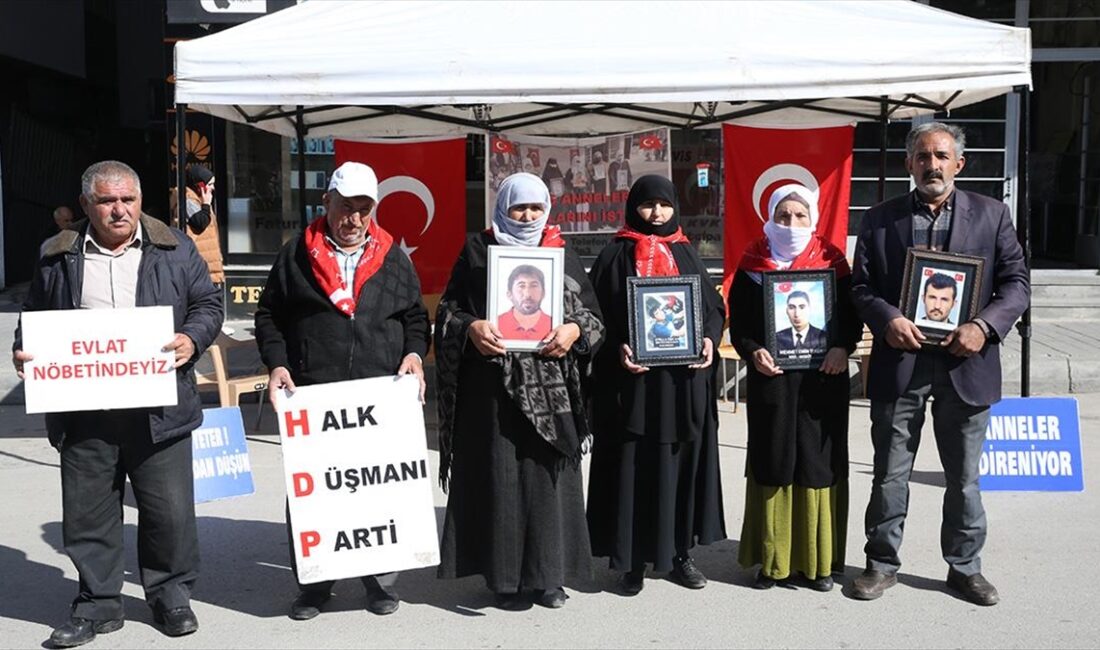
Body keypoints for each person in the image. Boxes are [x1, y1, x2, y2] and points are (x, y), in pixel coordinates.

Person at [12, 160, 223, 647]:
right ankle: (97, 604)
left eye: (127, 199)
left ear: (140, 201)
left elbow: (208, 305)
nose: (119, 210)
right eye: (107, 201)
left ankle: (170, 595)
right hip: (84, 409)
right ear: (87, 205)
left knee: (168, 511)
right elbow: (35, 316)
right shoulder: (56, 253)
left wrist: (192, 339)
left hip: (159, 408)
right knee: (89, 512)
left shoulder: (174, 246)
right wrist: (26, 351)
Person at [848, 122, 1030, 606]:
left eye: (942, 156)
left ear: (959, 163)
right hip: (901, 361)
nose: (932, 165)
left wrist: (984, 327)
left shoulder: (993, 216)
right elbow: (860, 287)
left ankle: (965, 568)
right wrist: (886, 318)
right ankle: (881, 564)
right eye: (923, 156)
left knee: (964, 478)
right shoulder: (879, 218)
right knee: (889, 473)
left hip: (965, 364)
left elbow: (1016, 285)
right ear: (909, 163)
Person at [253, 161, 430, 620]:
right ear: (325, 202)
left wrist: (413, 354)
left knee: (376, 489)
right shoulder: (295, 254)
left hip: (379, 395)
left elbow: (414, 317)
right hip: (316, 394)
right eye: (345, 208)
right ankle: (315, 585)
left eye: (364, 210)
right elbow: (269, 316)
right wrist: (277, 363)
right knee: (317, 492)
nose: (353, 220)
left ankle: (380, 583)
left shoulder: (394, 256)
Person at [435, 172, 604, 609]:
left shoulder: (560, 255)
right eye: (518, 208)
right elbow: (449, 311)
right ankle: (504, 578)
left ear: (547, 209)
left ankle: (550, 578)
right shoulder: (477, 251)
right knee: (501, 479)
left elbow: (593, 318)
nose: (527, 216)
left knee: (548, 483)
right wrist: (470, 327)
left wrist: (572, 331)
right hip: (491, 391)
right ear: (502, 207)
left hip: (551, 395)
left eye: (535, 208)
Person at [586, 175, 726, 595]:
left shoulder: (685, 251)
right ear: (634, 208)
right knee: (635, 469)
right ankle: (631, 562)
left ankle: (681, 555)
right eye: (648, 205)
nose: (657, 213)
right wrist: (618, 351)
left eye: (664, 205)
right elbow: (594, 316)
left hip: (682, 387)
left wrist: (708, 339)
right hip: (634, 389)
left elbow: (712, 307)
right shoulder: (615, 254)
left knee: (682, 467)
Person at [728, 183, 861, 592]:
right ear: (769, 217)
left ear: (814, 218)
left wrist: (842, 347)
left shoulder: (832, 262)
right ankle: (773, 562)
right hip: (774, 384)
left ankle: (818, 565)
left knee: (818, 465)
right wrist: (753, 352)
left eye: (800, 215)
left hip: (824, 381)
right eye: (783, 215)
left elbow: (852, 318)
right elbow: (742, 327)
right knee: (774, 461)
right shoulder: (752, 266)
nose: (791, 223)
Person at [169, 165, 224, 289]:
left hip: (209, 264)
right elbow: (200, 222)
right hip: (201, 265)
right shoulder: (188, 200)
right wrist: (206, 204)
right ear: (200, 186)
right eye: (210, 185)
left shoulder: (197, 200)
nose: (213, 188)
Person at [497, 264, 552, 340]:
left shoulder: (554, 325)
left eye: (534, 286)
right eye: (521, 286)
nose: (527, 294)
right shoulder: (496, 324)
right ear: (509, 294)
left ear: (543, 293)